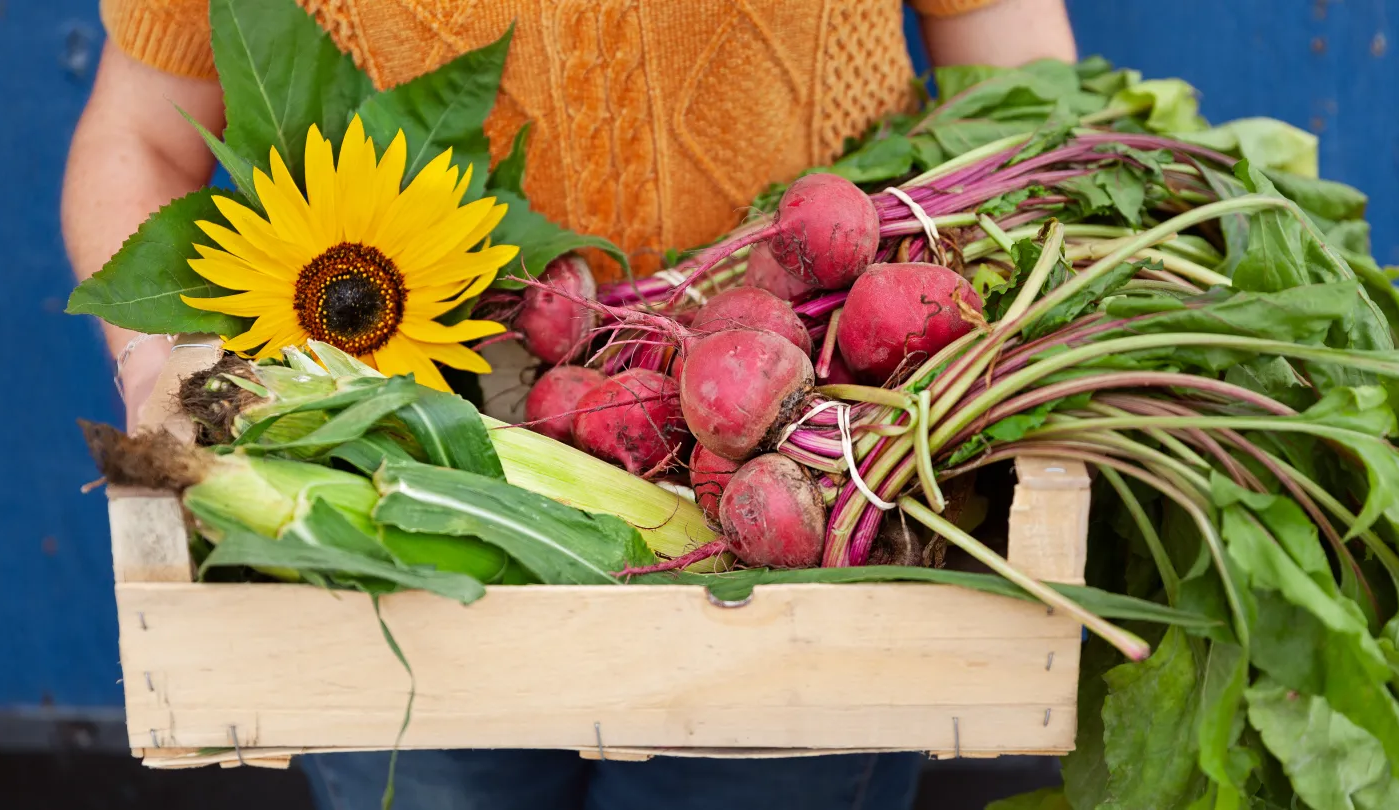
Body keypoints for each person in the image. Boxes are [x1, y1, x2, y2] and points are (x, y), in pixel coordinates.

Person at [64, 1, 1075, 808]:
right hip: (402, 486)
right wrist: (163, 375)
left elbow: (1011, 58)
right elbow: (143, 134)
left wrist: (1007, 311)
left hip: (813, 486)